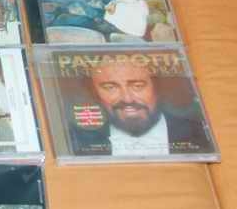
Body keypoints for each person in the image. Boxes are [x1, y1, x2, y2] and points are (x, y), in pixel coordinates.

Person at [70, 58, 212, 156]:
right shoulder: (74, 140)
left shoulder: (200, 133)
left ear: (157, 87)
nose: (127, 98)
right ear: (94, 93)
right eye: (110, 87)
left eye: (138, 86)